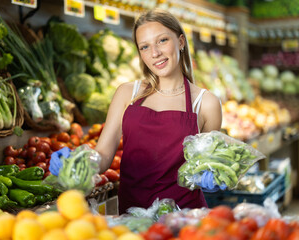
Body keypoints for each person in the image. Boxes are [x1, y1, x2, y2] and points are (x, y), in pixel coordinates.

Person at [94, 9, 222, 214]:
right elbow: (103, 155)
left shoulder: (206, 104)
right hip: (132, 220)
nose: (155, 53)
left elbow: (206, 165)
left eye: (162, 41)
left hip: (185, 220)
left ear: (181, 42)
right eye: (145, 47)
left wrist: (214, 173)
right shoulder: (127, 94)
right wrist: (80, 161)